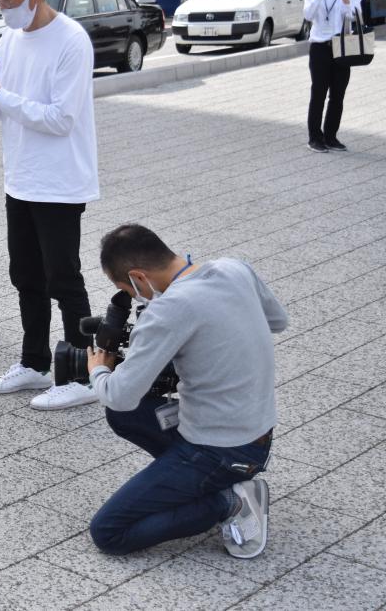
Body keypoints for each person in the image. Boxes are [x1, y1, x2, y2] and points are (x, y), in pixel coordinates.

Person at [86, 224, 287, 559]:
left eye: (131, 290)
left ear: (138, 276)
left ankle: (231, 501)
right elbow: (277, 322)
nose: (138, 297)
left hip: (220, 451)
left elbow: (118, 393)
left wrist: (99, 370)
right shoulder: (234, 269)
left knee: (109, 532)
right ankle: (200, 481)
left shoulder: (167, 310)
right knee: (127, 415)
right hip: (258, 433)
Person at [0, 0, 99, 410]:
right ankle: (36, 363)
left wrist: (0, 94)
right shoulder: (13, 38)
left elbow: (61, 119)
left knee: (64, 279)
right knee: (26, 276)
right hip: (19, 178)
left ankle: (82, 376)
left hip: (60, 182)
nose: (2, 6)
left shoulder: (72, 40)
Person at [304, 0, 362, 153]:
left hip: (343, 47)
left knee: (338, 94)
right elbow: (308, 15)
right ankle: (314, 137)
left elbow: (355, 17)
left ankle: (331, 136)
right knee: (318, 92)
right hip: (320, 47)